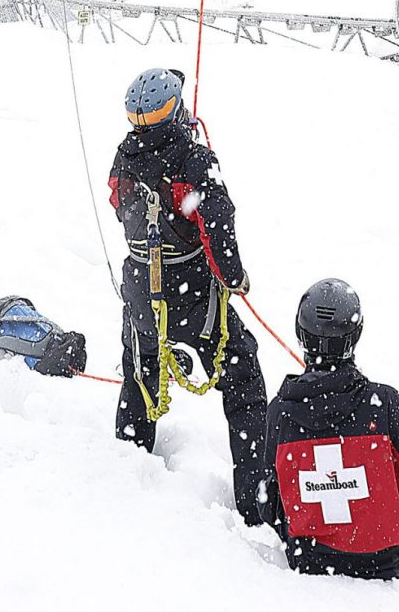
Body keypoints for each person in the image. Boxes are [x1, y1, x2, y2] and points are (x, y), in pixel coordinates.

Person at [108, 67, 267, 524]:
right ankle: (256, 500)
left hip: (142, 293)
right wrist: (233, 278)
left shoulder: (124, 156)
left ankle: (130, 465)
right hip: (193, 295)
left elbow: (120, 206)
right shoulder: (195, 161)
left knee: (141, 374)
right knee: (243, 376)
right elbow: (219, 226)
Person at [260, 277, 399, 579]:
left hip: (310, 560)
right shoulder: (386, 402)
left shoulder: (279, 411)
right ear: (356, 335)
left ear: (300, 335)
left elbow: (268, 503)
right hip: (389, 562)